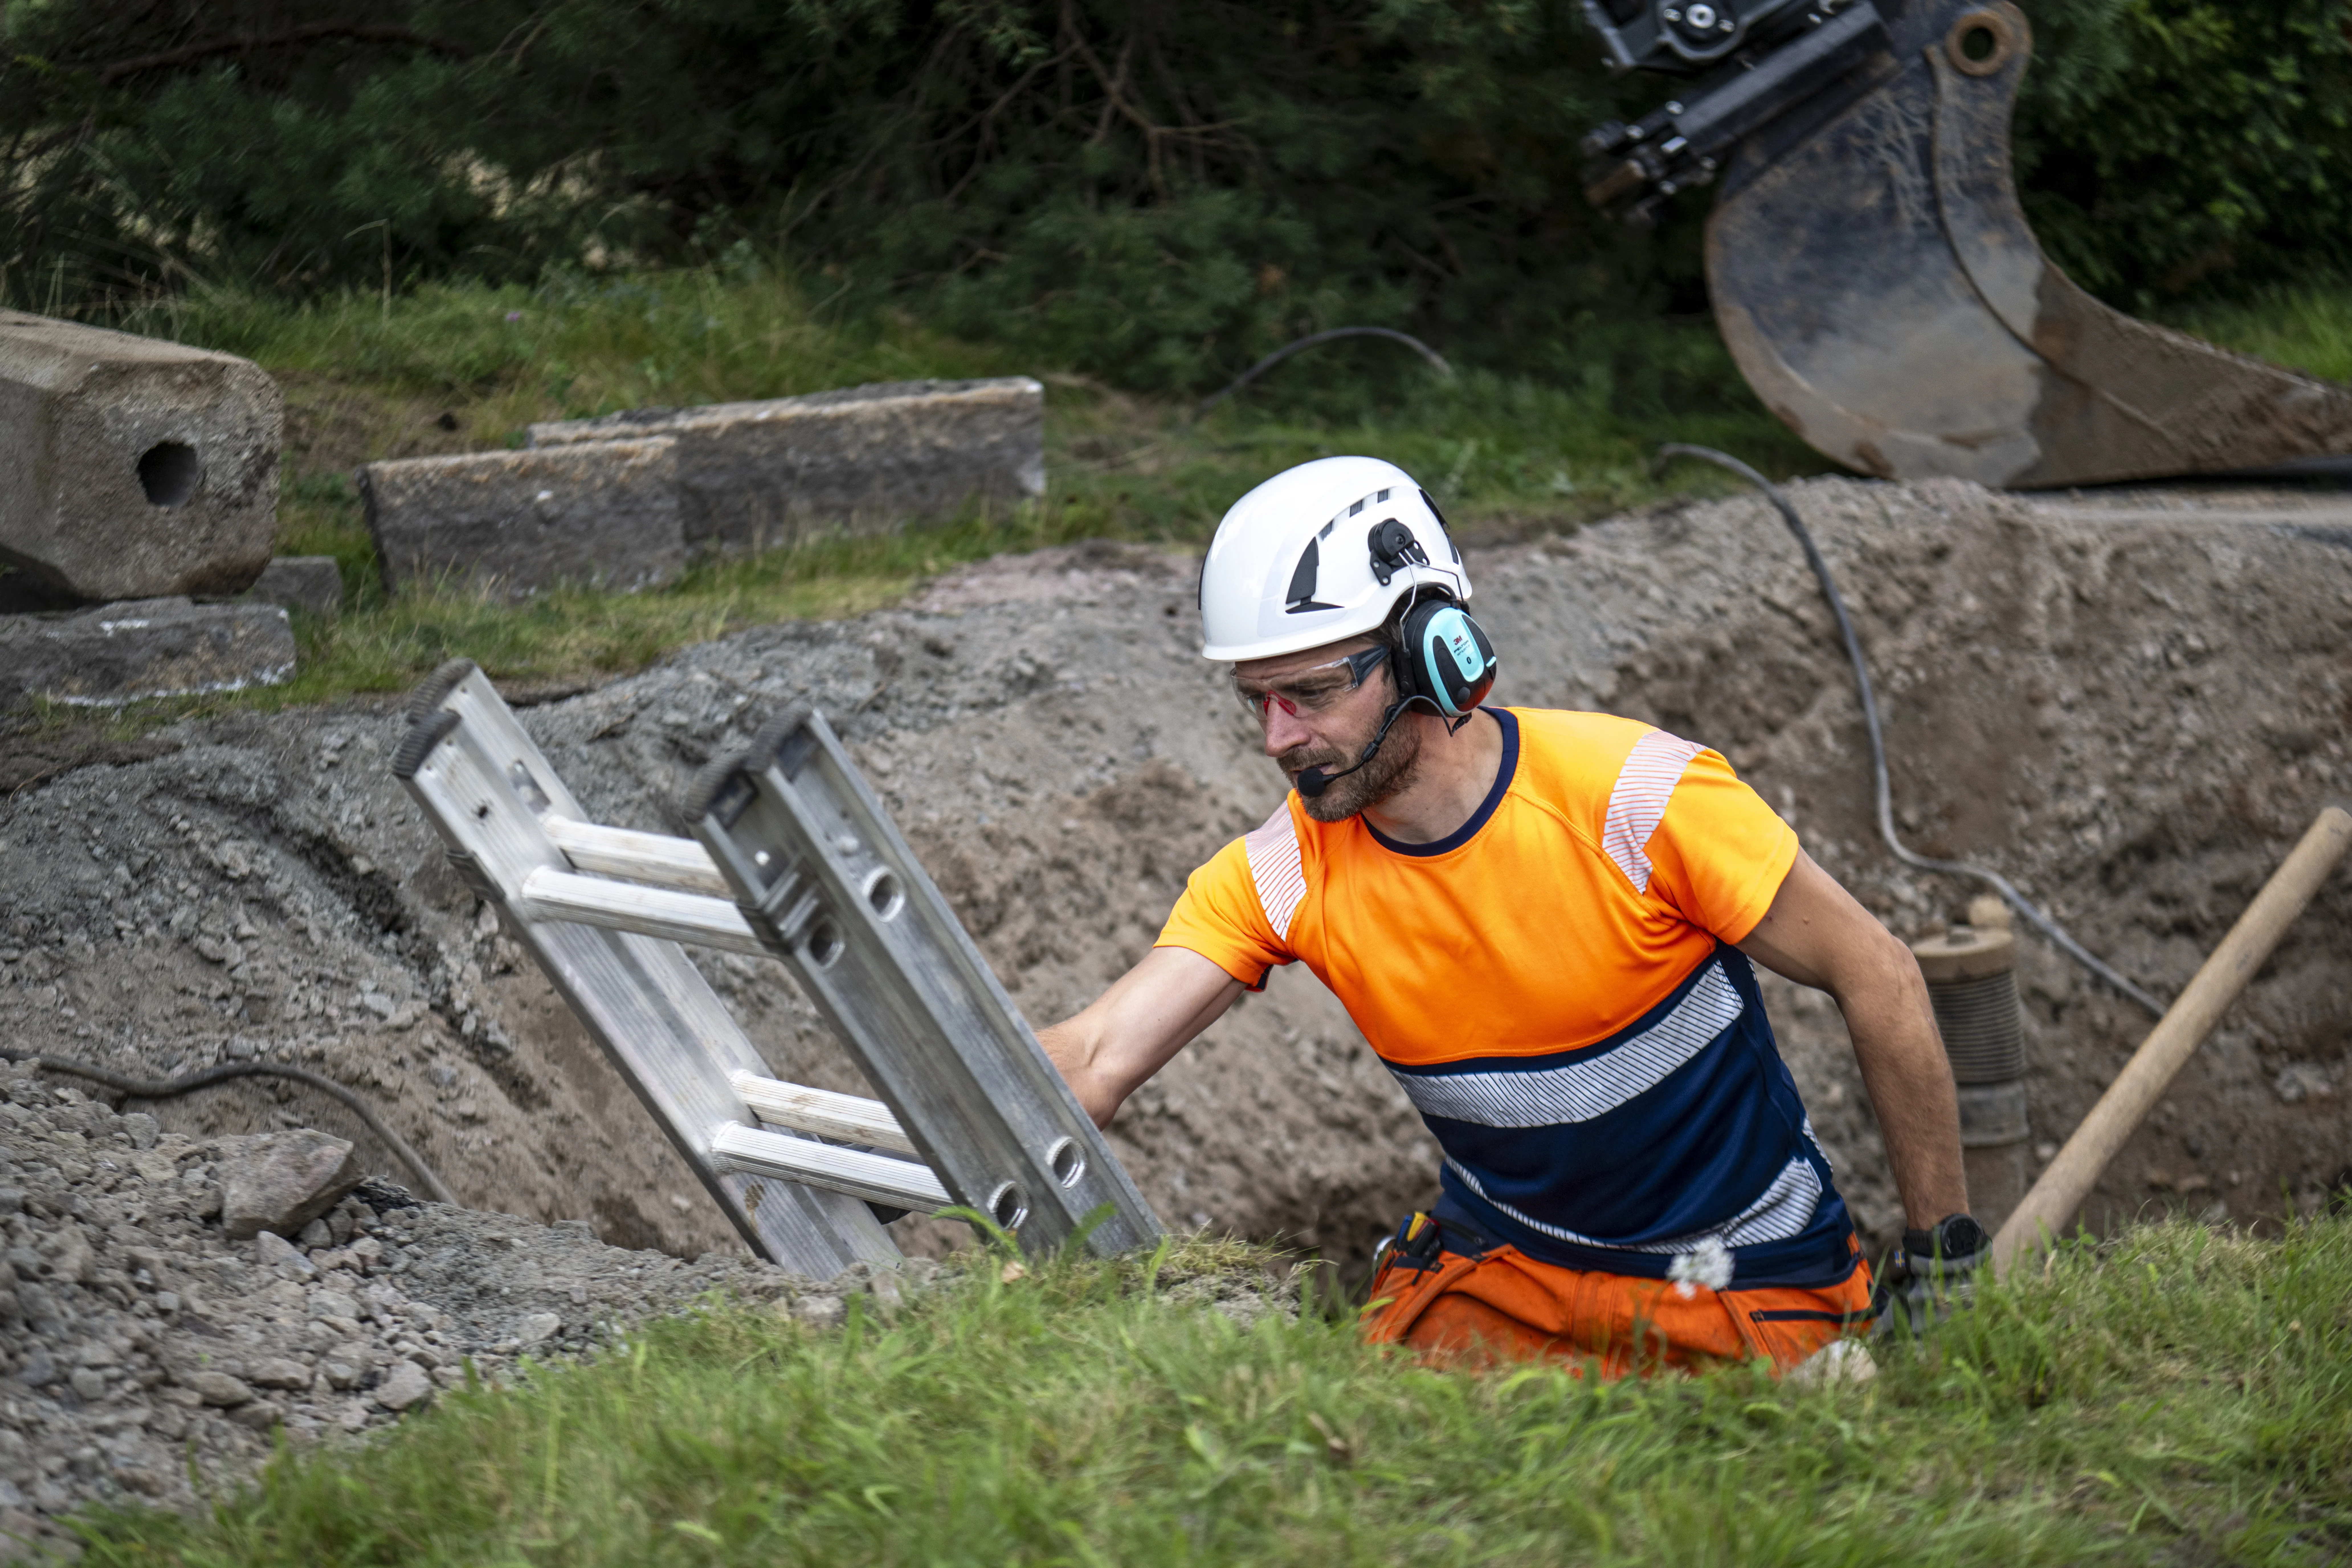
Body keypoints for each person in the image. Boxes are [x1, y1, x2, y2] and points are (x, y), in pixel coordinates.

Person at [1037, 455, 1981, 1375]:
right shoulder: (1282, 873)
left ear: (1433, 654)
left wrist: (1947, 1263)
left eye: (1312, 693)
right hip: (1505, 1282)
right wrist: (909, 1109)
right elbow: (1092, 1059)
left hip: (1744, 1286)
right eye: (1256, 701)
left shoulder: (1637, 801)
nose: (1277, 737)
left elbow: (1880, 974)